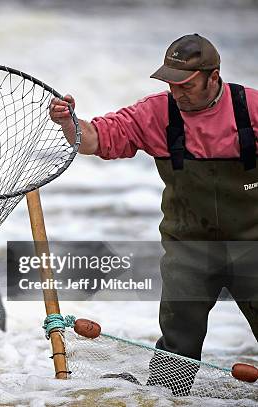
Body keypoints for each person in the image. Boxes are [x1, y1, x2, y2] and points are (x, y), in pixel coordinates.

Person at [50, 34, 258, 395]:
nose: (177, 93)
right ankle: (166, 401)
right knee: (177, 348)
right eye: (170, 84)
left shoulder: (251, 108)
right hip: (189, 249)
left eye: (186, 85)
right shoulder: (155, 113)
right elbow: (95, 139)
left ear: (214, 77)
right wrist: (70, 122)